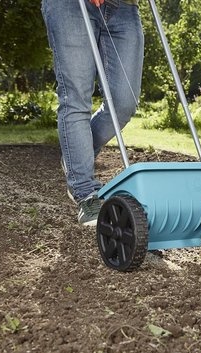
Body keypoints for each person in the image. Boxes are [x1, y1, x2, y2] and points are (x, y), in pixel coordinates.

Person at [42, 0, 144, 225]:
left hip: (125, 7)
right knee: (76, 98)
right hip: (70, 6)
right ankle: (85, 191)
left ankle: (75, 158)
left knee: (124, 104)